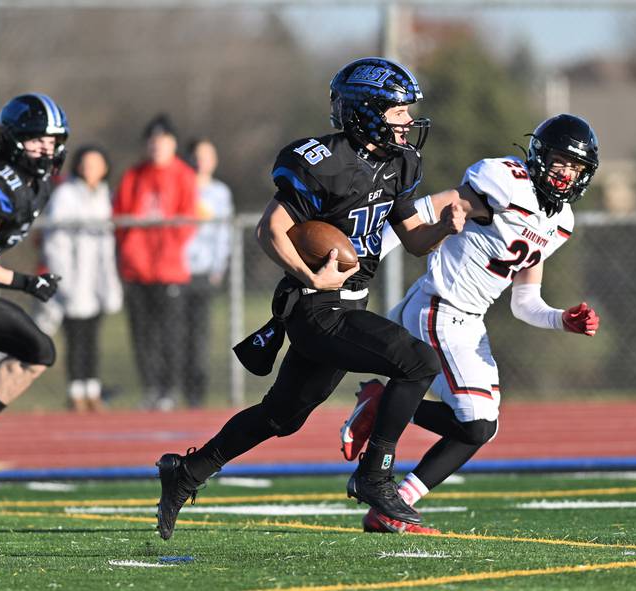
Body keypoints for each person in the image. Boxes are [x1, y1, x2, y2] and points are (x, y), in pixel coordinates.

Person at [154, 57, 467, 540]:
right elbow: (270, 229)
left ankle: (187, 472)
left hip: (350, 303)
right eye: (399, 110)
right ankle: (375, 474)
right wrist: (308, 275)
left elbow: (413, 239)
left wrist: (443, 229)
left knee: (281, 416)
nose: (408, 121)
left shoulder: (400, 161)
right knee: (417, 362)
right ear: (367, 111)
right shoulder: (325, 161)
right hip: (315, 307)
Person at [340, 114, 602, 534]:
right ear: (539, 156)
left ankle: (393, 498)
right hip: (438, 308)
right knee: (476, 424)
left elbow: (524, 302)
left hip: (467, 322)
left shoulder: (560, 223)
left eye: (575, 167)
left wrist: (560, 321)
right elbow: (424, 209)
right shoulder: (506, 183)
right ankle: (383, 420)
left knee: (480, 427)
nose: (565, 173)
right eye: (559, 161)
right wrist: (364, 260)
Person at [0, 93, 69, 488]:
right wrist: (25, 282)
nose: (47, 150)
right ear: (13, 139)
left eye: (53, 141)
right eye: (37, 140)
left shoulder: (37, 185)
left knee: (38, 350)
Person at [113, 114, 197, 411]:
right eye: (152, 141)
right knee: (142, 334)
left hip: (169, 268)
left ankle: (169, 389)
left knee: (170, 333)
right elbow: (120, 217)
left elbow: (189, 220)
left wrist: (167, 244)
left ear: (173, 144)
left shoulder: (184, 175)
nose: (156, 146)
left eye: (162, 141)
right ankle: (150, 387)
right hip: (137, 268)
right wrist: (132, 249)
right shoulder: (133, 175)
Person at [42, 145, 123, 412]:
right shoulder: (66, 194)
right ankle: (76, 390)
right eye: (86, 164)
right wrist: (65, 277)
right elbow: (55, 241)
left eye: (96, 164)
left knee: (93, 335)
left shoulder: (103, 195)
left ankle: (92, 388)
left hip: (97, 277)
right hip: (74, 275)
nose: (90, 169)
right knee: (75, 336)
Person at [180, 139, 233, 408]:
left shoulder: (220, 192)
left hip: (204, 271)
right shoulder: (180, 186)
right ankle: (169, 391)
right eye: (197, 156)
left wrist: (218, 267)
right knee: (175, 334)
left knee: (199, 335)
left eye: (207, 156)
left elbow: (224, 234)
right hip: (177, 270)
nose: (201, 161)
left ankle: (195, 394)